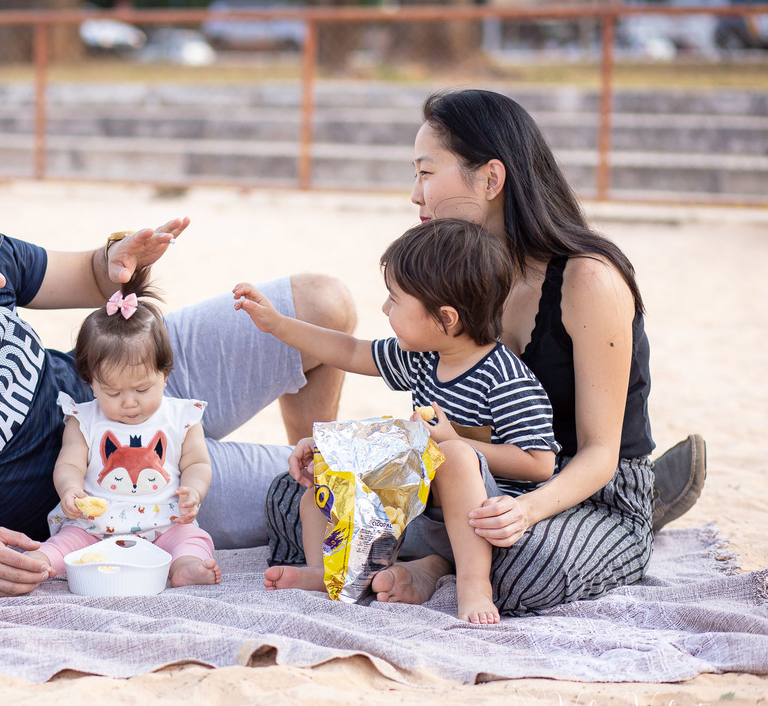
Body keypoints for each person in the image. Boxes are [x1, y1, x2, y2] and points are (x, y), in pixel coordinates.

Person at [267, 89, 706, 616]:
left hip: (584, 485)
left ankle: (444, 562)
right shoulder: (460, 278)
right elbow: (429, 415)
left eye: (426, 173)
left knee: (525, 573)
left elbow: (597, 453)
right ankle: (446, 554)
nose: (414, 194)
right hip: (470, 477)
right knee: (288, 501)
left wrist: (522, 512)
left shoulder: (589, 280)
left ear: (491, 179)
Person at [0, 172, 355, 597]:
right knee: (349, 494)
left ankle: (304, 461)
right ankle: (302, 495)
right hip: (115, 496)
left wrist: (115, 261)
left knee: (323, 305)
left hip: (124, 367)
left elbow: (87, 275)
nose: (0, 280)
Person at [235, 218, 559, 622]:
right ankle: (330, 571)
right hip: (420, 516)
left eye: (396, 300)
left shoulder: (505, 378)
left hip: (479, 522)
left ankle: (473, 584)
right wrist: (277, 324)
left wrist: (454, 441)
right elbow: (352, 352)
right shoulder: (424, 356)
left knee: (455, 457)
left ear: (446, 318)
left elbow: (540, 463)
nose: (385, 308)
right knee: (324, 478)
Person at [28, 266, 220, 587]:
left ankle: (185, 566)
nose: (129, 402)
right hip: (95, 525)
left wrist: (194, 491)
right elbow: (70, 462)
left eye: (142, 390)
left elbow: (198, 462)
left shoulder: (183, 416)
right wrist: (70, 489)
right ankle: (41, 562)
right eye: (113, 392)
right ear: (91, 384)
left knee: (192, 539)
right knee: (66, 543)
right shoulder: (84, 418)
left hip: (165, 522)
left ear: (165, 375)